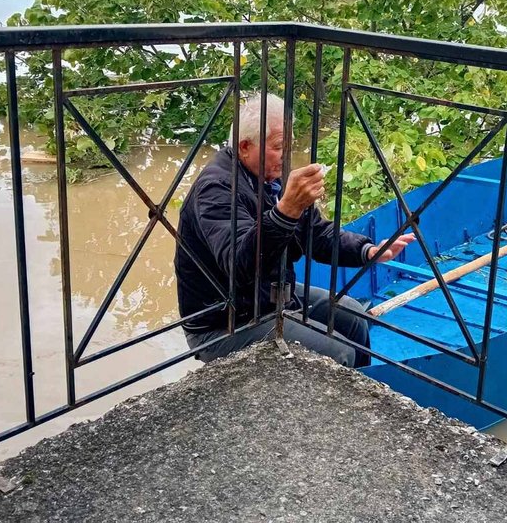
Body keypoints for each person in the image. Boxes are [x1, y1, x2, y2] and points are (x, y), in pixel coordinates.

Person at [175, 93, 414, 367]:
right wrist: (285, 211)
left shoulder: (267, 177)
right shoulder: (216, 189)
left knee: (352, 315)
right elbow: (239, 266)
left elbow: (317, 234)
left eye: (288, 145)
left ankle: (363, 394)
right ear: (244, 147)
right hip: (225, 320)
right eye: (279, 146)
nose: (286, 155)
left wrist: (368, 250)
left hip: (266, 295)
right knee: (337, 352)